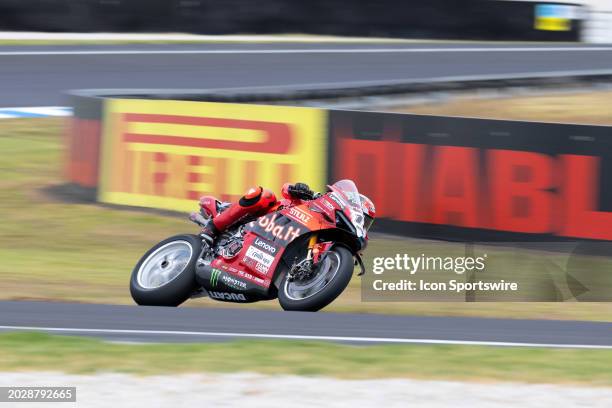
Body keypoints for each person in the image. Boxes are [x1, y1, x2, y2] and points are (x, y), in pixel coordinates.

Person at [195, 182, 316, 244]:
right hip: (257, 220)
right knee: (266, 195)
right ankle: (213, 227)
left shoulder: (318, 227)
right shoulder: (309, 200)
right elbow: (285, 189)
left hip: (271, 243)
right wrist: (298, 189)